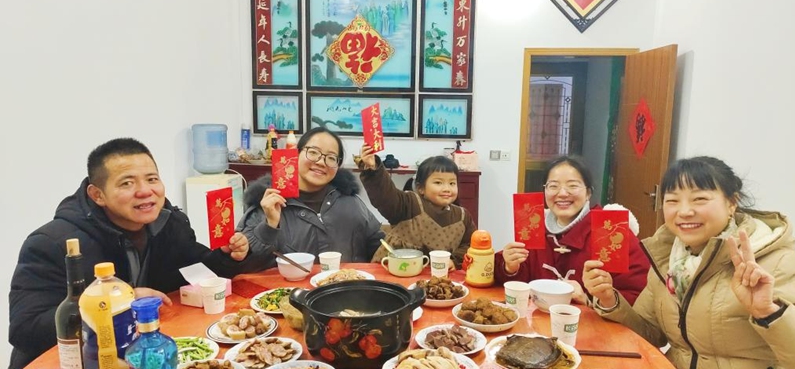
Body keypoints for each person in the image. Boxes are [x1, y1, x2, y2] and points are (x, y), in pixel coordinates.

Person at [8, 138, 259, 369]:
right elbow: (25, 328)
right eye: (127, 183)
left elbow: (197, 270)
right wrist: (119, 304)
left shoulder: (170, 223)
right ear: (97, 195)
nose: (144, 191)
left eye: (151, 179)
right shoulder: (53, 243)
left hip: (143, 354)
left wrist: (227, 256)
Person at [583, 156, 795, 369]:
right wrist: (609, 299)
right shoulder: (668, 259)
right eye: (672, 201)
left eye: (699, 199)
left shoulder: (773, 261)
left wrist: (770, 313)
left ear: (732, 203)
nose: (684, 212)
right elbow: (650, 334)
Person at [495, 155, 649, 305]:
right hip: (538, 323)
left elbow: (638, 296)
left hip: (594, 326)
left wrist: (590, 300)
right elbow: (514, 284)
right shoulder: (532, 227)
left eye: (573, 186)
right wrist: (510, 267)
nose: (562, 193)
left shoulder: (611, 231)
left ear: (588, 192)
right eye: (553, 186)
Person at [238, 127, 384, 269]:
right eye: (313, 152)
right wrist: (268, 227)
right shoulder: (268, 204)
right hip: (289, 292)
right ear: (296, 155)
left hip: (346, 290)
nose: (321, 162)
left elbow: (378, 246)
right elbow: (240, 268)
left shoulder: (351, 202)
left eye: (331, 158)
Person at [359, 145, 476, 268]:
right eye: (438, 182)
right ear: (420, 188)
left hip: (435, 277)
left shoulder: (463, 216)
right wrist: (373, 168)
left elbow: (470, 245)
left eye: (452, 183)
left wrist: (454, 260)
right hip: (393, 271)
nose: (447, 188)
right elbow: (385, 196)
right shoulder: (409, 204)